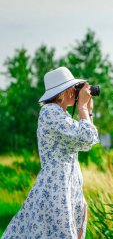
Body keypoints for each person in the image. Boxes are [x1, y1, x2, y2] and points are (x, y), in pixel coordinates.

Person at [1, 67, 99, 239]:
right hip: (56, 188)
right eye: (74, 88)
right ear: (65, 91)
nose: (76, 92)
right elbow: (87, 137)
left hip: (68, 186)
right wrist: (83, 107)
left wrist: (88, 110)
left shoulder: (62, 115)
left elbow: (87, 143)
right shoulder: (50, 112)